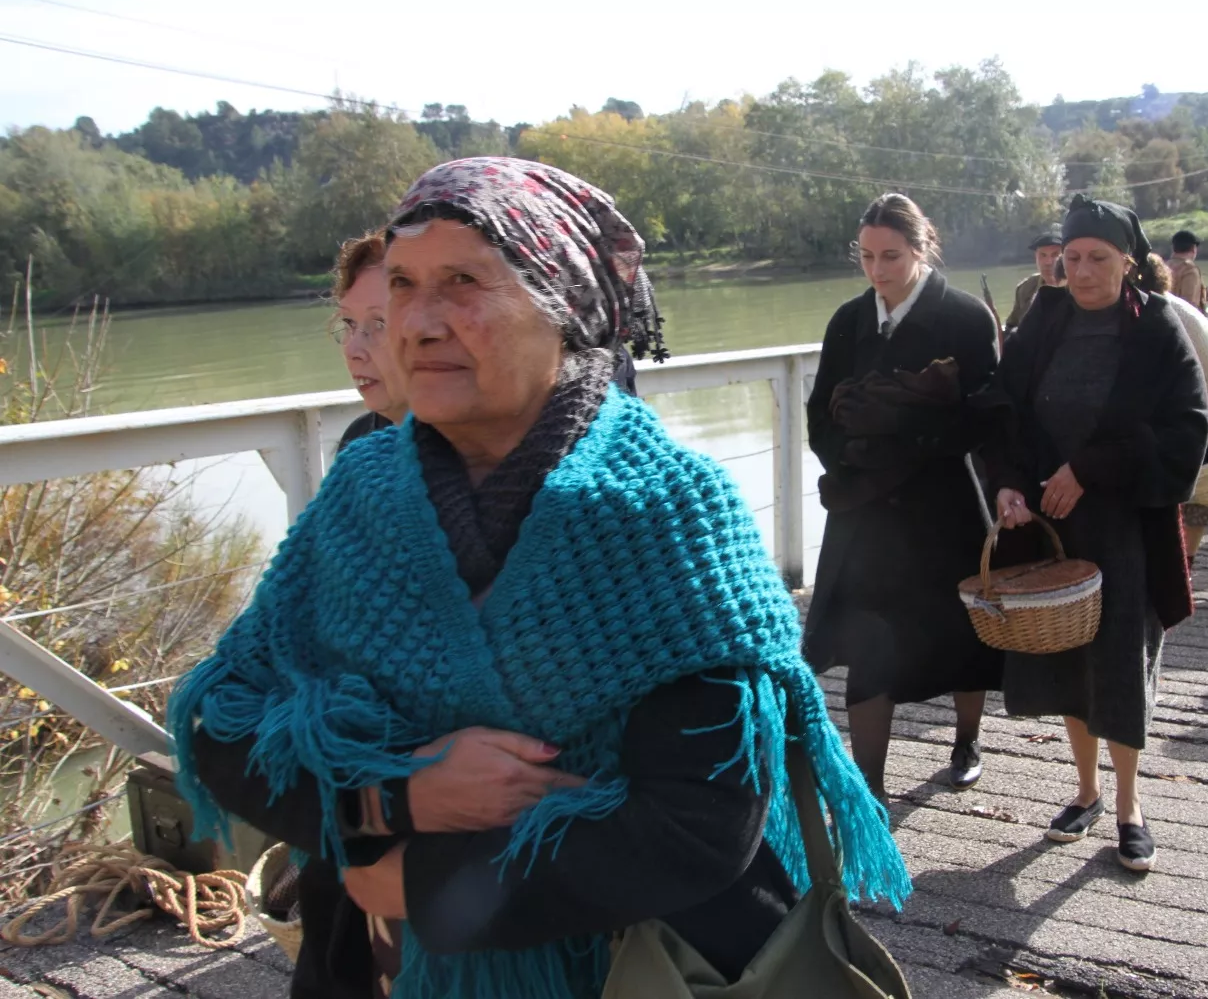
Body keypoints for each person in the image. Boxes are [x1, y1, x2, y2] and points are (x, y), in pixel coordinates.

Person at [169, 157, 908, 999]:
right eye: (403, 285)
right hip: (375, 965)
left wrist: (425, 888)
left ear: (563, 306)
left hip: (635, 968)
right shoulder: (361, 492)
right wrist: (393, 801)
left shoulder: (666, 508)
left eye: (462, 282)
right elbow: (220, 728)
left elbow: (698, 826)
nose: (417, 322)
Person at [986, 194, 1208, 872]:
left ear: (1129, 263)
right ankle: (1084, 793)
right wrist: (1008, 482)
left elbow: (1185, 427)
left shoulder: (1156, 327)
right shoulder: (1043, 318)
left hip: (1124, 525)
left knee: (1119, 663)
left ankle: (1129, 806)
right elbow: (1000, 409)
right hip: (1051, 530)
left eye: (1097, 259)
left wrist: (1090, 468)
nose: (1080, 272)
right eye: (1072, 257)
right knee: (1068, 662)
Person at [805, 193, 1002, 801]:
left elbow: (987, 417)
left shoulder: (967, 319)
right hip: (864, 511)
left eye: (890, 256)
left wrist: (908, 434)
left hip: (942, 508)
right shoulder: (848, 320)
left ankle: (966, 739)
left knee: (964, 632)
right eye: (866, 256)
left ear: (921, 250)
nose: (877, 270)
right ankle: (870, 786)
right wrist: (850, 458)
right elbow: (820, 413)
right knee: (870, 641)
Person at [1148, 260, 1208, 563]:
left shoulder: (1178, 312)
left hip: (1197, 423)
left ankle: (1189, 558)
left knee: (1197, 498)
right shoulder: (1134, 311)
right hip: (1162, 427)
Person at [331, 232, 409, 453]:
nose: (352, 350)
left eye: (379, 324)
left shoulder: (487, 454)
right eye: (349, 322)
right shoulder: (357, 444)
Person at [1006, 230, 1063, 333]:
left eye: (1055, 255)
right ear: (1036, 258)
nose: (1048, 262)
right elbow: (1011, 325)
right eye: (1043, 255)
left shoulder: (1077, 288)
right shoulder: (1025, 289)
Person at [1167, 230, 1207, 312]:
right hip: (1182, 322)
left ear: (1174, 248)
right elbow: (1189, 305)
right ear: (1193, 249)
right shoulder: (1189, 270)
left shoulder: (1163, 267)